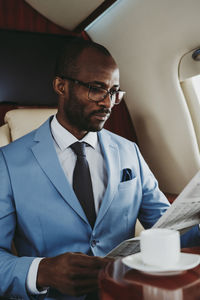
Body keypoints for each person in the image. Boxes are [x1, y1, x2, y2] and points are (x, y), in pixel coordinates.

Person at [0, 38, 199, 300]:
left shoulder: (130, 152)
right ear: (61, 86)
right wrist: (42, 271)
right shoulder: (7, 161)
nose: (108, 103)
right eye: (96, 89)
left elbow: (170, 230)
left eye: (114, 92)